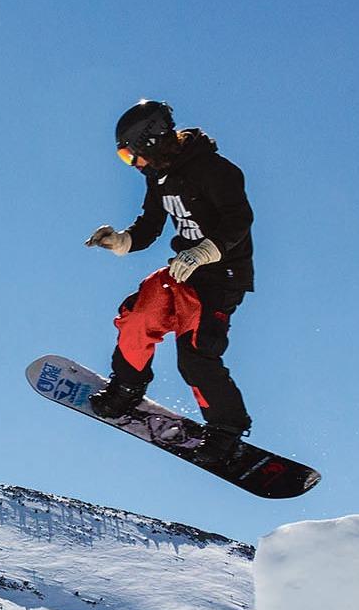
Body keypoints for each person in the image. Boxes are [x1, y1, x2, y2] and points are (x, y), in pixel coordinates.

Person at [84, 99, 257, 461]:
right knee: (139, 314)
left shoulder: (215, 170)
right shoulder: (158, 177)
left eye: (132, 155)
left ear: (151, 140)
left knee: (195, 354)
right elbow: (149, 226)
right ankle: (127, 388)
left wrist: (205, 251)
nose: (134, 165)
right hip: (184, 271)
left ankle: (226, 430)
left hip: (220, 276)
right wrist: (120, 240)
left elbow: (238, 220)